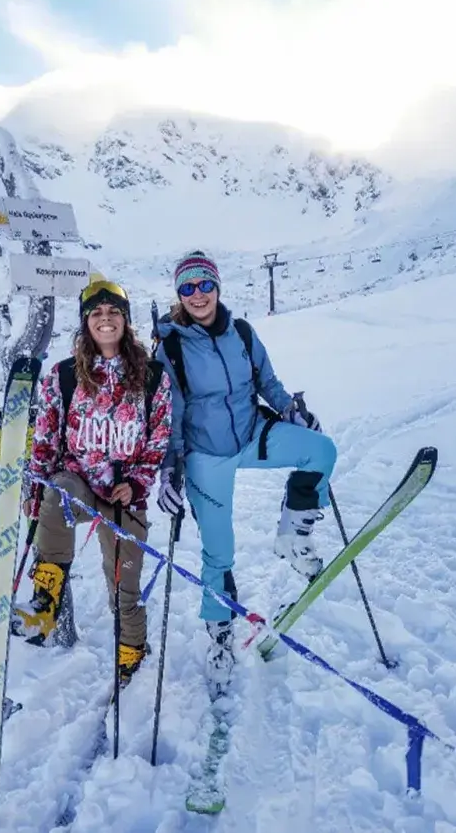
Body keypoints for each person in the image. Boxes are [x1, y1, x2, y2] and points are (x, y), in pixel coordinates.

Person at [152, 250, 336, 690]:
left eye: (204, 284)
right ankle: (219, 636)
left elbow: (267, 383)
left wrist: (291, 410)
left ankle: (293, 537)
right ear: (179, 294)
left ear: (217, 286)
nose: (198, 295)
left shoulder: (243, 333)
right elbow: (170, 414)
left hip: (252, 432)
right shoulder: (172, 347)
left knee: (320, 450)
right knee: (220, 553)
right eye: (188, 288)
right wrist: (170, 467)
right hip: (204, 454)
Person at [16, 276, 173, 686]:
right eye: (96, 313)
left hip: (124, 493)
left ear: (126, 320)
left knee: (124, 583)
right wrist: (36, 489)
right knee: (59, 489)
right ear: (86, 322)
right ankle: (45, 603)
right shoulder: (64, 375)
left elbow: (158, 439)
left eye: (113, 312)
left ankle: (132, 650)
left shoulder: (153, 376)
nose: (105, 320)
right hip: (80, 485)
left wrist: (138, 483)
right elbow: (47, 439)